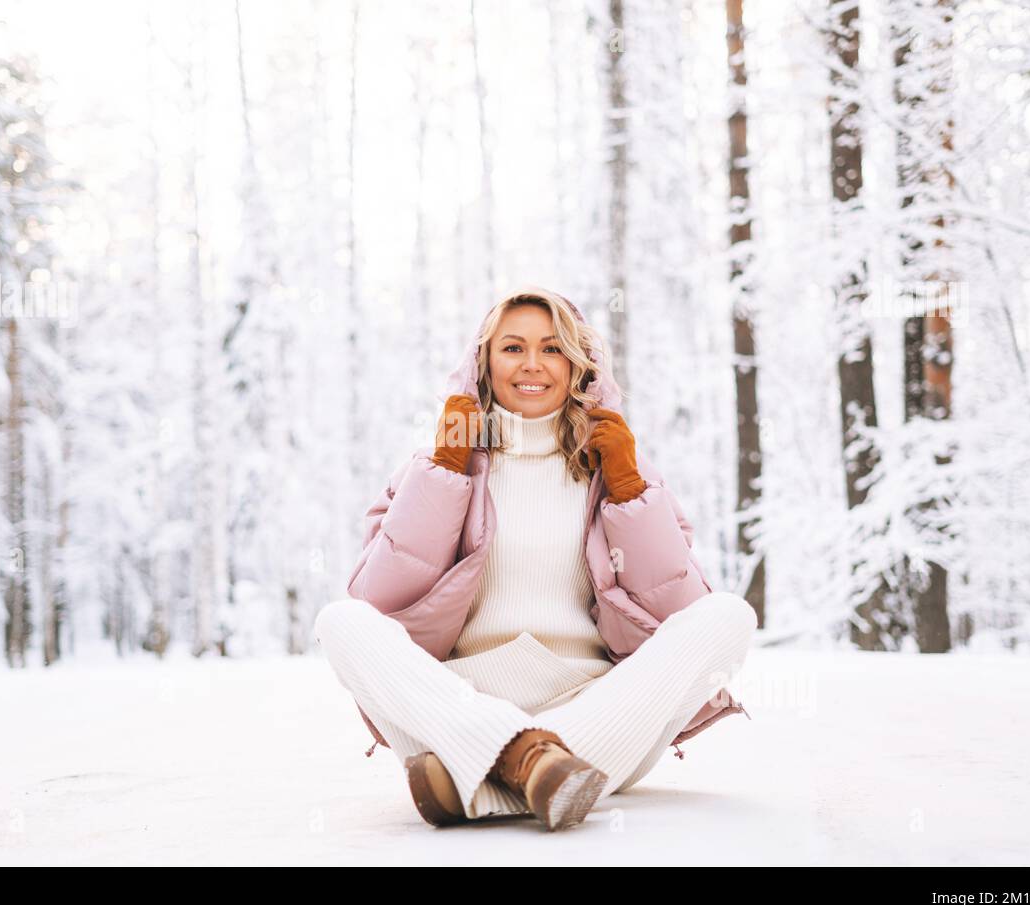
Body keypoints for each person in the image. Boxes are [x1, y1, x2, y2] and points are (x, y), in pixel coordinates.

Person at [313, 286, 757, 830]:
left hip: (599, 708)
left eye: (552, 349)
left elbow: (678, 612)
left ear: (579, 365)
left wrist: (627, 494)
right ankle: (536, 766)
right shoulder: (434, 469)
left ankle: (486, 778)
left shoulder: (621, 474)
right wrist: (446, 475)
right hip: (455, 703)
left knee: (729, 616)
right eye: (512, 348)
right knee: (341, 620)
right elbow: (379, 602)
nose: (532, 365)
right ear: (484, 362)